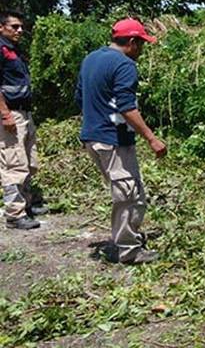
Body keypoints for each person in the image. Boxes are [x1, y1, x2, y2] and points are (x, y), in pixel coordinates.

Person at [75, 18, 166, 264]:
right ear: (133, 42)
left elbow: (79, 97)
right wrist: (151, 138)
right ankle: (128, 250)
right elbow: (127, 107)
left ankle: (127, 238)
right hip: (112, 139)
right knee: (129, 195)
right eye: (142, 44)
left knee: (124, 191)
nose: (142, 51)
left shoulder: (90, 59)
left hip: (92, 137)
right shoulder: (125, 65)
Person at [0, 10, 45, 230]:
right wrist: (5, 114)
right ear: (1, 27)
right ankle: (14, 215)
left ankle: (26, 204)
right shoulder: (1, 49)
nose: (19, 30)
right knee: (14, 163)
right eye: (14, 26)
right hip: (10, 114)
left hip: (24, 112)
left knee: (29, 160)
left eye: (20, 27)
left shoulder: (15, 51)